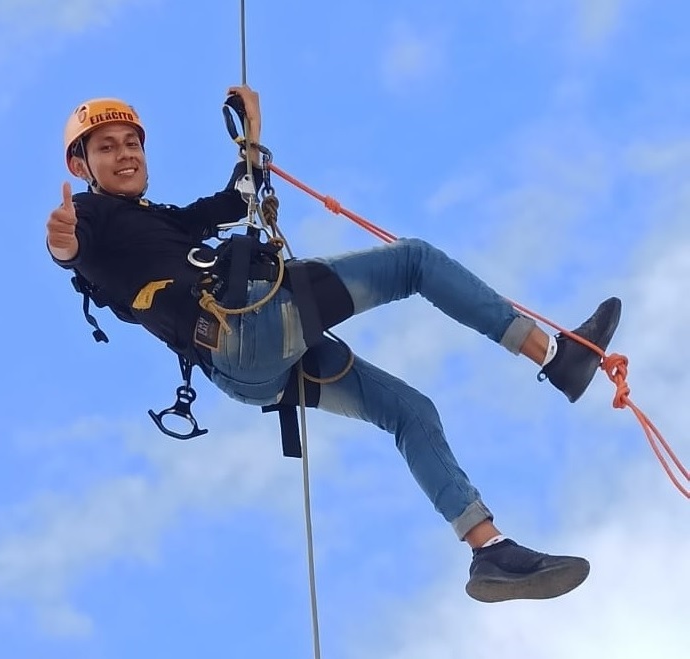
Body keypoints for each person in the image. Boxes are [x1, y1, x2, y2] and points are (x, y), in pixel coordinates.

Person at [45, 85, 621, 603]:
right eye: (107, 148)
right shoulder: (93, 218)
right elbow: (75, 251)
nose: (125, 155)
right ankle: (555, 357)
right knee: (414, 261)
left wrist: (252, 138)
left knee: (409, 410)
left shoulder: (162, 221)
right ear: (83, 164)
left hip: (250, 371)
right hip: (248, 326)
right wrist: (65, 242)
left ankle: (488, 551)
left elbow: (236, 198)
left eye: (131, 143)